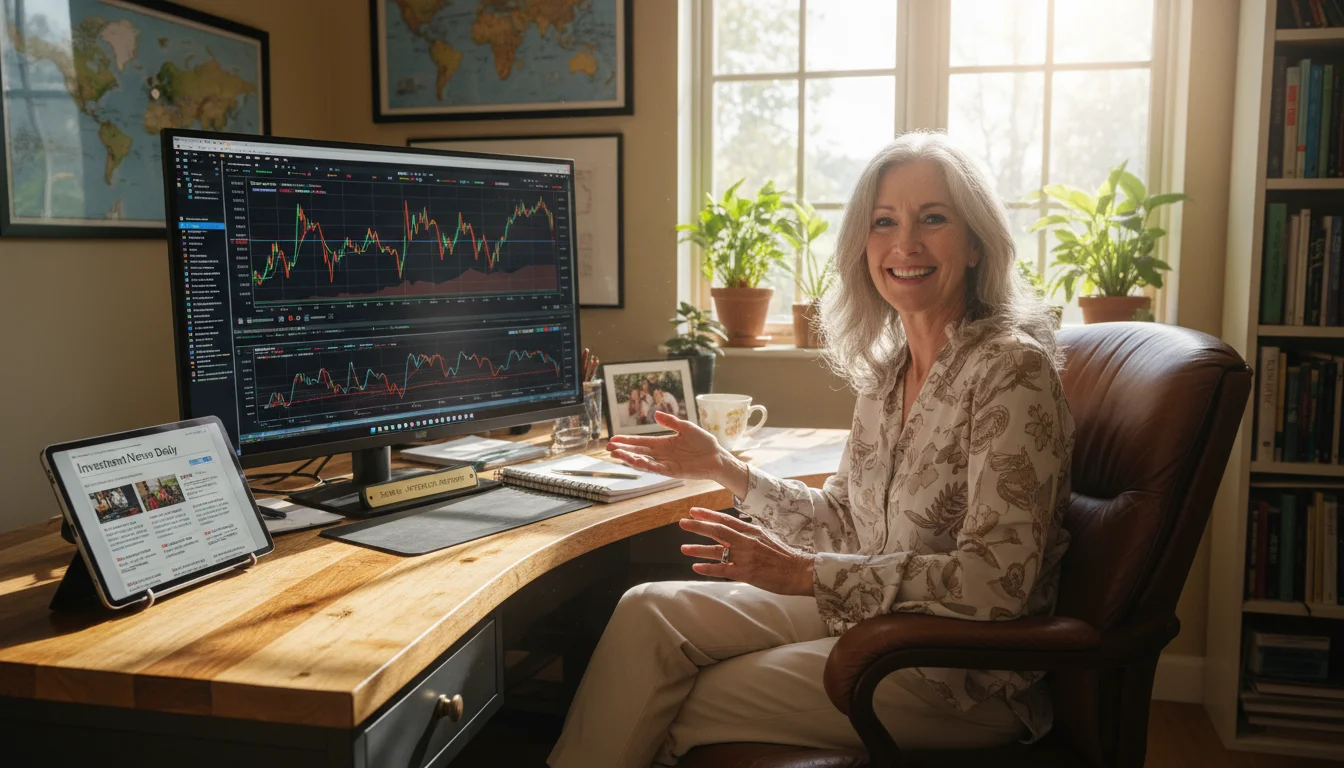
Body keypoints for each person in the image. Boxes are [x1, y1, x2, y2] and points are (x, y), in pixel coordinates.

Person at [548, 132, 1073, 768]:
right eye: (884, 222)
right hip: (866, 617)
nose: (905, 243)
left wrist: (804, 575)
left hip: (955, 671)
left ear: (975, 244)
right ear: (862, 246)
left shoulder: (1012, 372)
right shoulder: (888, 373)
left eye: (933, 218)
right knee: (648, 611)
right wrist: (725, 468)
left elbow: (997, 583)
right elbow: (845, 522)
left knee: (678, 697)